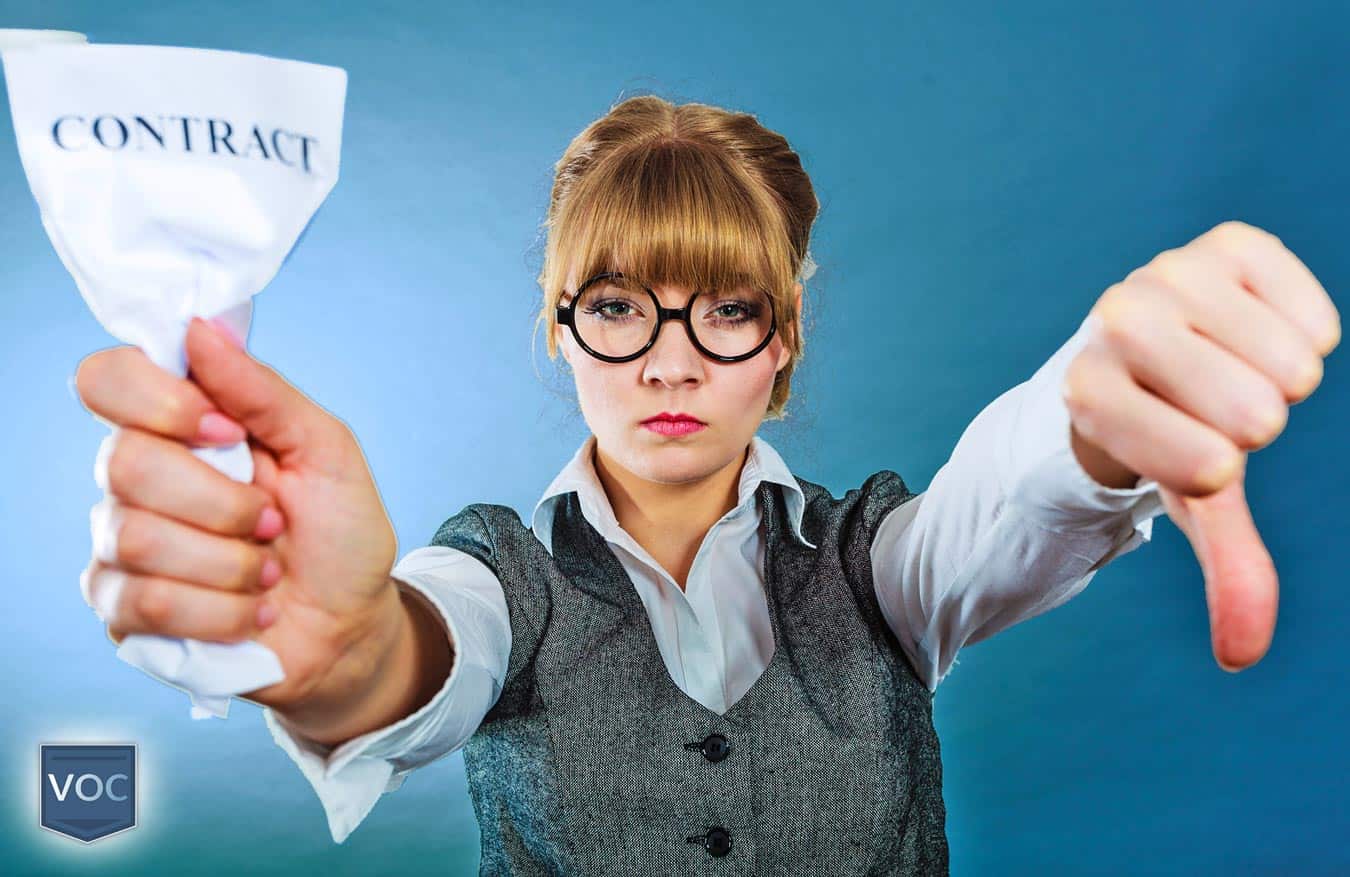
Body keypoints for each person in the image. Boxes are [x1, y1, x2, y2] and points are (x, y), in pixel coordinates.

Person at [73, 95, 1339, 874]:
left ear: (782, 341)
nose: (671, 357)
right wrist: (340, 645)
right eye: (620, 305)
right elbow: (411, 651)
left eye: (728, 309)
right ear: (562, 329)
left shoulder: (879, 564)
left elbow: (1002, 509)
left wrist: (1089, 416)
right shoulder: (495, 578)